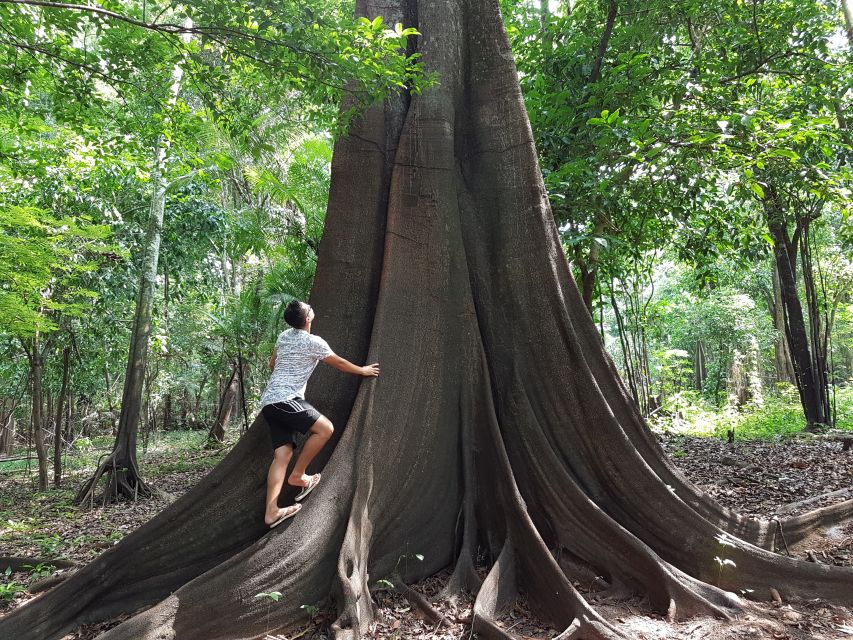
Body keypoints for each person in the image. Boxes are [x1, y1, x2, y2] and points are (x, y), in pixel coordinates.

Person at [261, 300, 379, 528]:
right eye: (309, 308)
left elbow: (272, 363)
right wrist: (363, 370)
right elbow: (340, 363)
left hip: (269, 402)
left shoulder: (284, 336)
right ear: (307, 319)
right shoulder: (313, 342)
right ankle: (298, 476)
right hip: (287, 399)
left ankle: (272, 512)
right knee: (326, 429)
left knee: (282, 455)